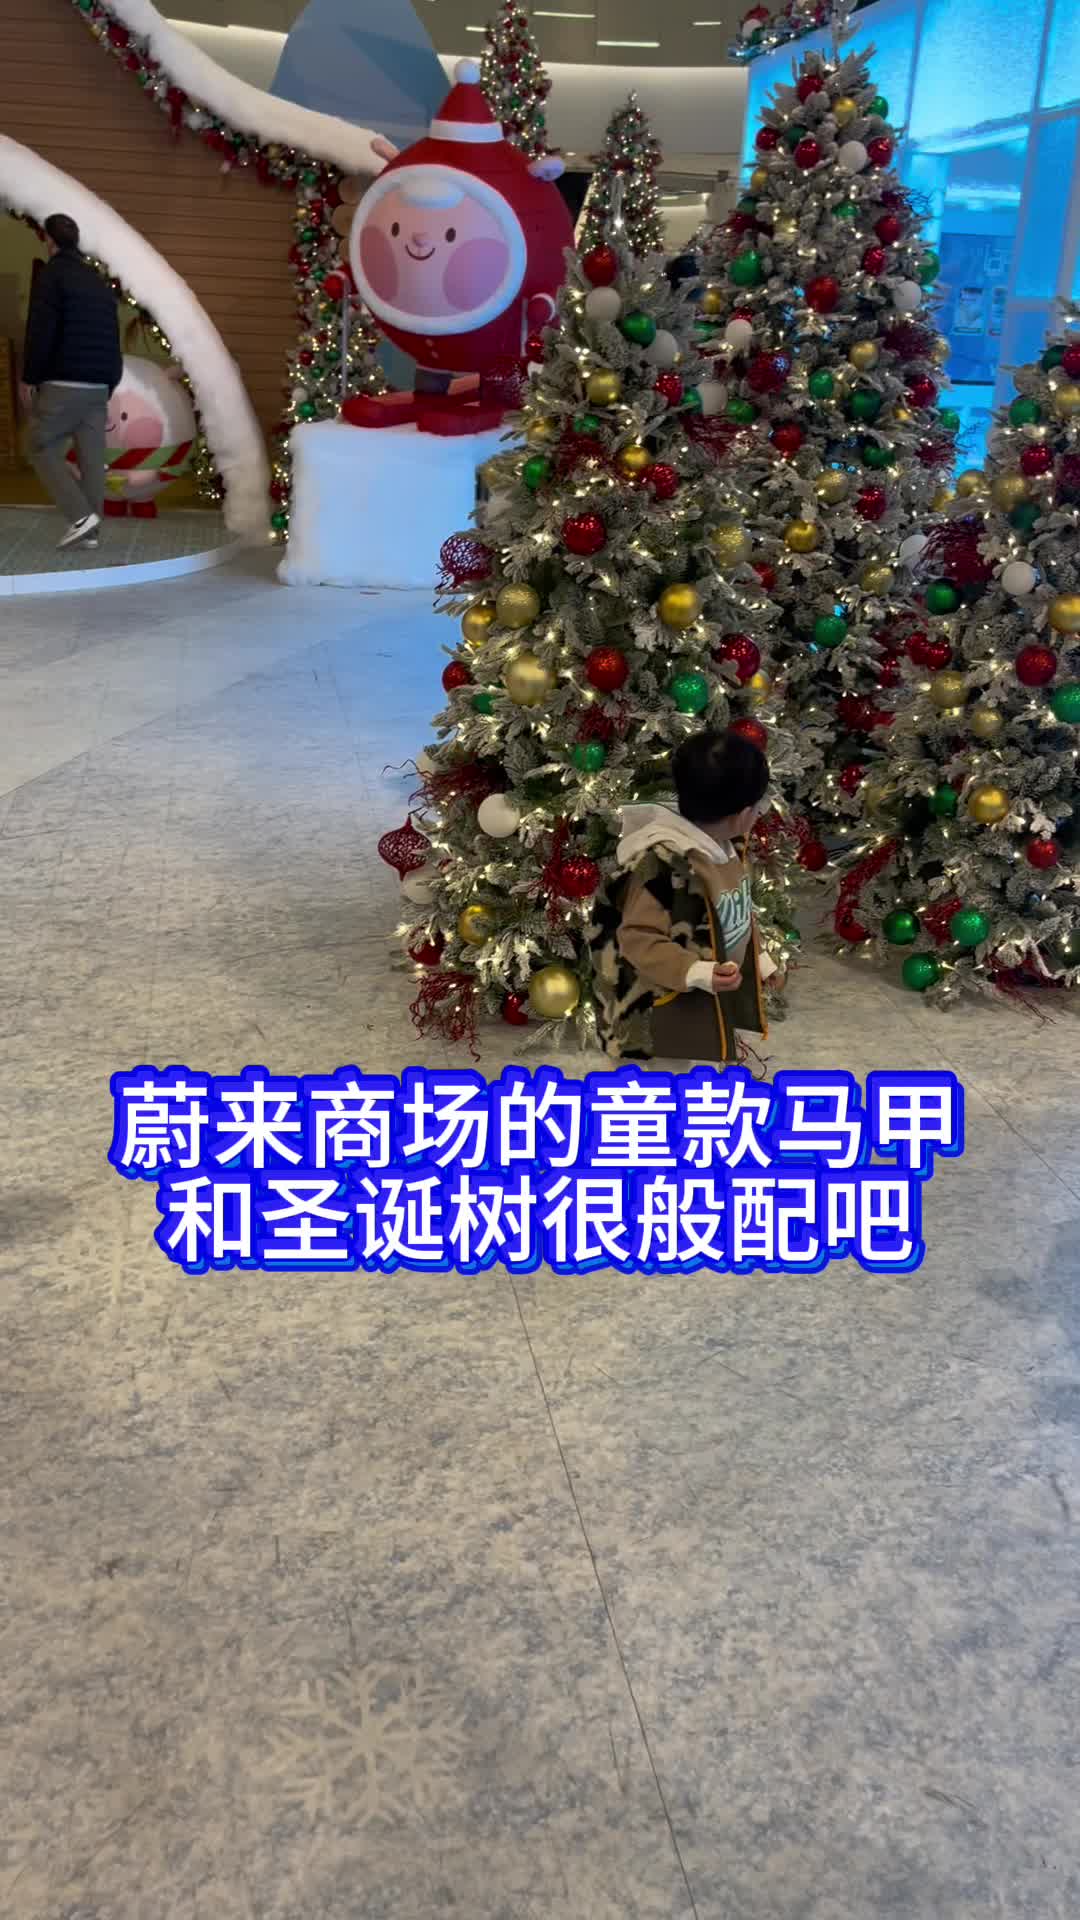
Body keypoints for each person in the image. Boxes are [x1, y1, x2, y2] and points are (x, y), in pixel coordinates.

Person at [604, 729, 779, 1064]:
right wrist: (695, 971)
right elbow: (637, 937)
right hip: (668, 1008)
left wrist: (761, 962)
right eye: (759, 805)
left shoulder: (727, 847)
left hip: (709, 996)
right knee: (666, 1077)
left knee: (702, 1063)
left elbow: (734, 916)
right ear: (742, 814)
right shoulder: (663, 866)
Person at [20, 214, 122, 550]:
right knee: (91, 459)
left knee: (36, 444)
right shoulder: (96, 280)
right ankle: (90, 534)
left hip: (64, 383)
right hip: (99, 386)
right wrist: (110, 382)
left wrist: (29, 377)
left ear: (49, 240)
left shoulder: (52, 275)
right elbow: (112, 335)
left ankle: (80, 517)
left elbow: (41, 330)